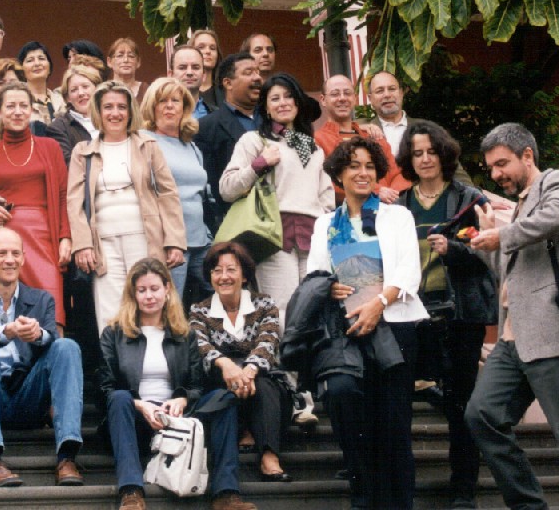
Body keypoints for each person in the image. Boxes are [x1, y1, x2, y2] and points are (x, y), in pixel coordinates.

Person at [466, 123, 559, 509]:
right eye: (491, 168)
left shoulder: (555, 183)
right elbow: (512, 274)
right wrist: (488, 242)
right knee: (482, 415)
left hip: (553, 336)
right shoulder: (520, 205)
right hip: (513, 340)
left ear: (527, 155)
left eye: (502, 164)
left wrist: (504, 235)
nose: (496, 174)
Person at [303, 136, 428, 509]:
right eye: (354, 166)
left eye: (370, 166)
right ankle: (364, 498)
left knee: (394, 426)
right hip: (346, 331)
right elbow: (314, 275)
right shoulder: (326, 223)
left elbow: (409, 272)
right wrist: (328, 287)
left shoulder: (397, 216)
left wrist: (379, 303)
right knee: (346, 406)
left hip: (394, 326)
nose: (363, 173)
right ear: (339, 175)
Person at [101, 257, 257, 510]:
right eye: (142, 290)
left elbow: (197, 385)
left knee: (224, 398)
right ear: (133, 294)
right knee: (119, 398)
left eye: (154, 288)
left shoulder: (184, 335)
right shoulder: (114, 334)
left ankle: (226, 493)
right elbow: (105, 389)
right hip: (136, 420)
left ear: (167, 290)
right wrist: (140, 404)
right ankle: (131, 492)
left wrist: (182, 399)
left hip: (177, 417)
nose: (149, 296)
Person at [395, 120, 497, 507]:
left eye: (431, 152)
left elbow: (489, 252)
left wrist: (453, 250)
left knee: (461, 402)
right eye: (417, 153)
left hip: (459, 313)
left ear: (444, 154)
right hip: (410, 313)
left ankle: (463, 489)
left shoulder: (469, 198)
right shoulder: (399, 204)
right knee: (402, 395)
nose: (425, 159)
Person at [0, 227, 84, 488]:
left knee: (66, 346)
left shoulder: (41, 299)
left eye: (15, 253)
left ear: (23, 258)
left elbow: (54, 350)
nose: (9, 260)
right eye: (2, 253)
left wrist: (39, 335)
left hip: (28, 396)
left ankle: (67, 458)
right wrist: (4, 333)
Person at [67, 80, 186, 336]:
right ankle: (116, 361)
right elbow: (74, 202)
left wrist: (174, 241)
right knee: (110, 311)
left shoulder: (147, 145)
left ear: (131, 111)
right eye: (108, 107)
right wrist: (83, 244)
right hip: (103, 243)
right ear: (98, 111)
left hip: (144, 238)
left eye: (121, 107)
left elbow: (168, 193)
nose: (115, 113)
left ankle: (151, 358)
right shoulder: (83, 151)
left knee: (149, 302)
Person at [219, 72, 335, 320]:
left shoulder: (313, 148)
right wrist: (260, 164)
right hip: (273, 234)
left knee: (313, 309)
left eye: (288, 96)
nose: (282, 102)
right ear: (266, 108)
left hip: (312, 236)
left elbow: (326, 198)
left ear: (298, 103)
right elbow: (227, 188)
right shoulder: (254, 141)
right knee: (281, 310)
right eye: (275, 98)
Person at [0, 81, 71, 328]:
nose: (17, 112)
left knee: (52, 308)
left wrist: (65, 237)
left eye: (23, 106)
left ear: (32, 109)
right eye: (10, 106)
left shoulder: (50, 147)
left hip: (45, 238)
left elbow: (63, 194)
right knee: (9, 312)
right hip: (5, 242)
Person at [190, 242, 292, 482]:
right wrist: (226, 365)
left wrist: (249, 370)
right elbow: (201, 346)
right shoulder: (199, 310)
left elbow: (268, 341)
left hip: (261, 385)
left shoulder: (264, 304)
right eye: (217, 270)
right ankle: (244, 429)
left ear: (244, 275)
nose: (223, 276)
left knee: (264, 385)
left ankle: (269, 456)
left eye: (231, 270)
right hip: (221, 384)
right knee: (219, 383)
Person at [140, 77, 212, 306]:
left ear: (185, 107)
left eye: (175, 101)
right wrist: (167, 241)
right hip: (169, 242)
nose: (169, 106)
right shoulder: (144, 142)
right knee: (171, 306)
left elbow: (201, 193)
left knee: (222, 295)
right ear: (152, 107)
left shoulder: (191, 146)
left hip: (201, 239)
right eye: (162, 101)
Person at [365, 71, 473, 187]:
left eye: (392, 89)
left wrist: (475, 195)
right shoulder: (362, 130)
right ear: (370, 98)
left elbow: (453, 168)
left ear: (401, 93)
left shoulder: (427, 128)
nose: (387, 95)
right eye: (380, 91)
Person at [194, 52, 263, 232]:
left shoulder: (273, 120)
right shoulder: (206, 127)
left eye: (258, 72)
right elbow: (208, 184)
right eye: (248, 72)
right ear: (228, 83)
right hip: (234, 222)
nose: (257, 77)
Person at [315, 74, 409, 204]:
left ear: (354, 98)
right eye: (335, 94)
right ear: (323, 100)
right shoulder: (317, 140)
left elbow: (398, 173)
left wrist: (393, 195)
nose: (342, 98)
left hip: (391, 207)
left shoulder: (373, 136)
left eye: (347, 93)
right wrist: (376, 192)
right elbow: (326, 183)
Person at [46, 64, 102, 165]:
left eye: (85, 86)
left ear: (97, 89)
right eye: (74, 90)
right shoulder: (58, 128)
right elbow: (68, 164)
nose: (81, 93)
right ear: (68, 98)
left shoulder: (111, 118)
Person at [17, 41, 66, 126]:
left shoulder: (62, 101)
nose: (37, 63)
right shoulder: (17, 101)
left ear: (49, 68)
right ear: (21, 70)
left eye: (41, 58)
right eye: (30, 60)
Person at [167, 44, 209, 119]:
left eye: (195, 67)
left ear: (204, 75)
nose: (189, 72)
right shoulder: (159, 114)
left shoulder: (216, 114)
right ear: (171, 75)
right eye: (182, 68)